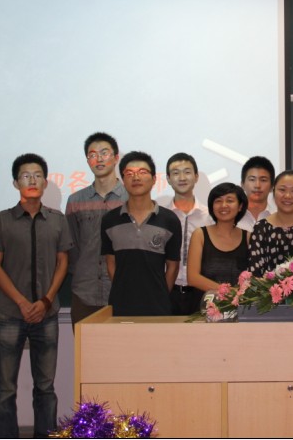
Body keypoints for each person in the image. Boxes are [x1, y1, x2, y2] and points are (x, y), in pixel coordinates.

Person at [0, 153, 72, 438]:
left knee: (45, 387)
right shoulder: (1, 220)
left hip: (47, 315)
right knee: (5, 388)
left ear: (45, 182)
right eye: (25, 175)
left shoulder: (57, 220)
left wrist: (46, 300)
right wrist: (22, 302)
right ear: (15, 183)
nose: (32, 180)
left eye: (37, 175)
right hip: (11, 314)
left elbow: (63, 263)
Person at [102, 151, 181, 316]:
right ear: (123, 180)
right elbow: (111, 262)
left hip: (158, 308)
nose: (136, 177)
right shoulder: (110, 219)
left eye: (142, 172)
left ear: (154, 179)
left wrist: (159, 295)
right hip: (120, 306)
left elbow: (172, 267)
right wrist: (123, 291)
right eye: (129, 173)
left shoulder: (169, 220)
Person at [66, 132, 126, 328]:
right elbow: (73, 246)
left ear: (116, 158)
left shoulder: (131, 198)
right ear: (87, 161)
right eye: (93, 155)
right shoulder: (75, 201)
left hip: (122, 291)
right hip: (85, 293)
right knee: (84, 348)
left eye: (104, 153)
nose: (99, 159)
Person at [162, 153, 213, 315]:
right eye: (176, 173)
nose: (182, 178)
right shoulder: (161, 216)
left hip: (201, 293)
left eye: (187, 172)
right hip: (168, 291)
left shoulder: (209, 216)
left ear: (196, 177)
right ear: (168, 179)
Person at [187, 182, 250, 291]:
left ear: (240, 206)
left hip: (239, 301)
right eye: (218, 201)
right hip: (204, 300)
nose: (223, 205)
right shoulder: (200, 235)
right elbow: (193, 278)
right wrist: (228, 293)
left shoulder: (248, 237)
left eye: (230, 200)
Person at [237, 156, 276, 232]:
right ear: (242, 184)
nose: (257, 185)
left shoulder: (279, 217)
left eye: (263, 180)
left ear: (272, 186)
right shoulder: (231, 217)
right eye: (252, 179)